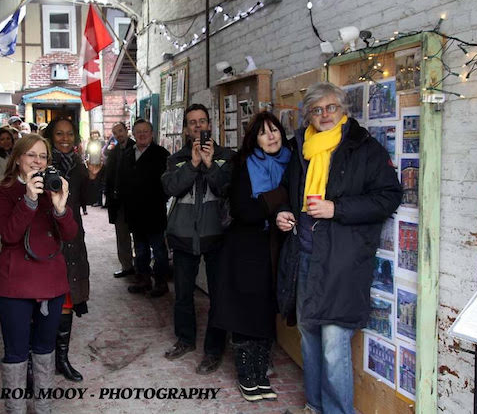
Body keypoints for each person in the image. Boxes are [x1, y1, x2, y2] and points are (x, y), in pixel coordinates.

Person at [275, 82, 402, 414]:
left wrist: (337, 209)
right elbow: (287, 191)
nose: (325, 115)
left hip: (343, 260)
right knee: (308, 335)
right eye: (317, 110)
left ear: (344, 109)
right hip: (304, 255)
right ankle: (314, 405)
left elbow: (389, 197)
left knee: (334, 343)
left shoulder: (364, 148)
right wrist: (284, 212)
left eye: (331, 107)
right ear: (309, 116)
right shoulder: (301, 148)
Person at [0, 133, 77, 414]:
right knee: (15, 353)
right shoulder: (2, 191)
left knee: (44, 349)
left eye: (43, 156)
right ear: (17, 159)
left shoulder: (52, 188)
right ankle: (15, 408)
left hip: (50, 283)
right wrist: (28, 198)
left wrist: (60, 206)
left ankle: (43, 406)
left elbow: (71, 234)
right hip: (15, 283)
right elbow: (11, 235)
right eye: (31, 155)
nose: (37, 161)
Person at [211, 112, 291, 402]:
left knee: (267, 309)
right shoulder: (244, 164)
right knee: (245, 311)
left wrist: (277, 203)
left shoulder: (290, 162)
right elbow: (245, 210)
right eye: (263, 133)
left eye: (275, 130)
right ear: (253, 139)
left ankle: (260, 374)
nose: (271, 137)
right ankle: (247, 375)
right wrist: (279, 198)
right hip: (245, 248)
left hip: (274, 246)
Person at [161, 103, 234, 374]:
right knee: (182, 294)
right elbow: (170, 187)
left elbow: (227, 187)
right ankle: (185, 340)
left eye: (202, 121)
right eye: (192, 122)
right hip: (182, 234)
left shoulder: (226, 156)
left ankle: (214, 351)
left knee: (218, 295)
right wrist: (192, 163)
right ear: (185, 128)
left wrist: (210, 163)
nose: (198, 126)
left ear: (210, 125)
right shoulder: (176, 158)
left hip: (216, 235)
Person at [41, 117, 99, 382]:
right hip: (45, 239)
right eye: (59, 134)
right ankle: (39, 360)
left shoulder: (77, 165)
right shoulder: (41, 161)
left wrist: (95, 176)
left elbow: (89, 199)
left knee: (67, 298)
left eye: (69, 134)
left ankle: (61, 359)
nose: (65, 138)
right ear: (51, 136)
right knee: (40, 300)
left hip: (72, 237)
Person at [120, 119, 171, 297]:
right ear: (133, 134)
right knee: (140, 249)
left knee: (158, 250)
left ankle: (161, 282)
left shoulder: (162, 154)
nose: (142, 134)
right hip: (134, 212)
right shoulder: (127, 154)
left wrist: (159, 199)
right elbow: (122, 181)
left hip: (154, 211)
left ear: (152, 134)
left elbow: (168, 184)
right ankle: (143, 279)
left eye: (146, 131)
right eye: (138, 131)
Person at [104, 122, 136, 278]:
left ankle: (141, 267)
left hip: (134, 202)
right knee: (122, 235)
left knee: (138, 236)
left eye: (120, 131)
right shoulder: (114, 151)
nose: (119, 135)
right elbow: (109, 177)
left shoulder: (136, 148)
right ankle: (127, 266)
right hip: (118, 202)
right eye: (115, 132)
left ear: (126, 131)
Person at [85, 130, 106, 207]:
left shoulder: (101, 142)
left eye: (96, 134)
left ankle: (99, 201)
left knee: (100, 183)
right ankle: (95, 200)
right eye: (93, 134)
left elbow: (103, 152)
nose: (94, 135)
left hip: (100, 164)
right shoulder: (90, 143)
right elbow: (87, 153)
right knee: (94, 183)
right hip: (92, 164)